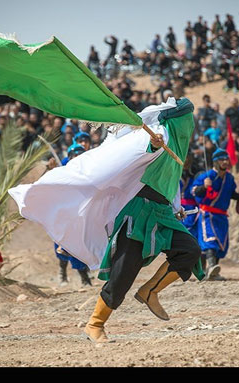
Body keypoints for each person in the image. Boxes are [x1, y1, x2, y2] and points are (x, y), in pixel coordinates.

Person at [84, 98, 204, 343]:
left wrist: (176, 207)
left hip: (162, 212)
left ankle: (150, 291)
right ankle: (95, 324)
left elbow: (170, 184)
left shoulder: (178, 150)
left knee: (189, 250)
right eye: (186, 121)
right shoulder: (159, 136)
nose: (189, 127)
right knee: (123, 274)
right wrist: (152, 145)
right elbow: (136, 153)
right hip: (138, 212)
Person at [192, 149, 239, 280]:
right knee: (211, 240)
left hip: (222, 216)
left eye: (226, 159)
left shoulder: (229, 178)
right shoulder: (206, 176)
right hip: (208, 214)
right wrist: (204, 187)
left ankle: (213, 274)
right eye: (222, 159)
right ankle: (211, 267)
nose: (225, 162)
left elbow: (231, 193)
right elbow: (195, 191)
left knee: (221, 244)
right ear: (215, 161)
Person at [55, 144, 93, 287]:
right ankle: (63, 273)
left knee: (81, 245)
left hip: (82, 211)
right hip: (65, 213)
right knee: (64, 247)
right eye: (75, 155)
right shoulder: (63, 170)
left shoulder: (89, 170)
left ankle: (85, 276)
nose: (78, 158)